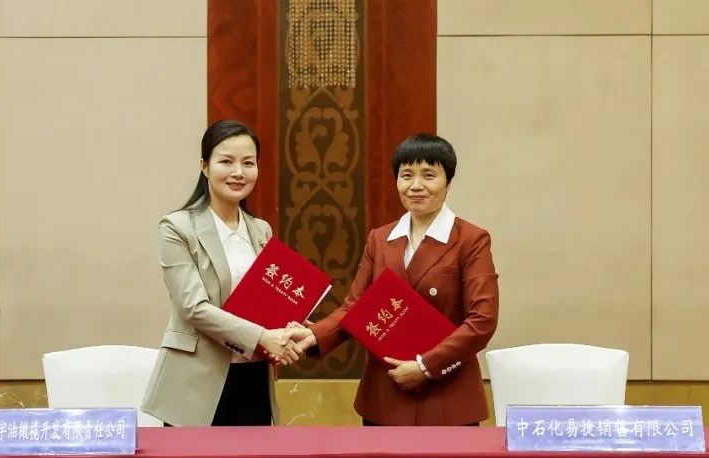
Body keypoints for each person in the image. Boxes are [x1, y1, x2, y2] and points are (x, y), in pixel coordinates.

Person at [288, 133, 499, 425]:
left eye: (429, 175)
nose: (416, 186)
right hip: (385, 393)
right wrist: (315, 335)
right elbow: (356, 306)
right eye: (406, 175)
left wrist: (425, 366)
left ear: (448, 182)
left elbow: (482, 320)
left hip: (447, 396)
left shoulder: (471, 240)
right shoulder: (380, 238)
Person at [142, 120, 301, 427]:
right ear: (204, 166)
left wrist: (293, 327)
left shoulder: (261, 230)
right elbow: (193, 308)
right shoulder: (177, 227)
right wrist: (263, 337)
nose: (238, 172)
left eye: (248, 163)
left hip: (253, 375)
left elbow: (269, 300)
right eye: (226, 161)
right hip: (197, 381)